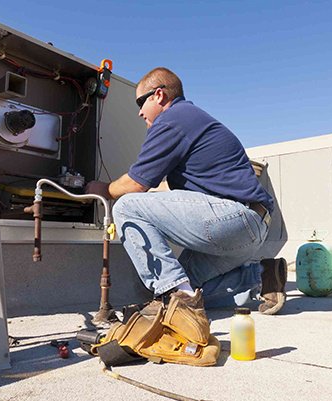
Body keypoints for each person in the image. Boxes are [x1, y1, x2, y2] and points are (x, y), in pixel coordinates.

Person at [85, 67, 286, 319]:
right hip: (251, 226)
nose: (139, 112)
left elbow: (137, 184)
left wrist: (103, 189)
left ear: (158, 95)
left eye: (140, 102)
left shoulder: (173, 119)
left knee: (127, 206)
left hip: (235, 218)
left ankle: (175, 296)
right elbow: (166, 192)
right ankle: (262, 277)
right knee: (189, 285)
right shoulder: (191, 120)